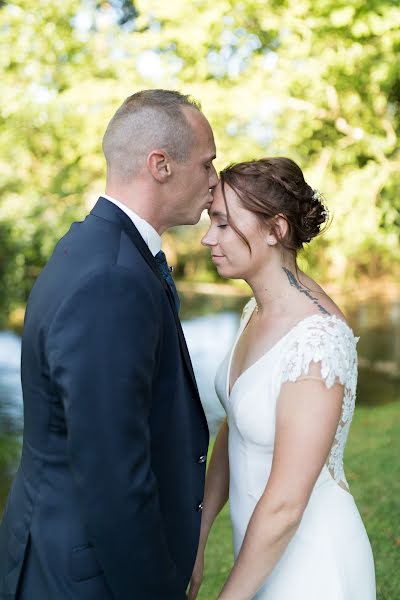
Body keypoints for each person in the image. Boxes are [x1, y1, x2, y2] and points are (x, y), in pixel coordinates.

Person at [0, 89, 218, 600]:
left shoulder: (96, 246)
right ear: (160, 165)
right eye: (208, 164)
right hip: (84, 575)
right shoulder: (112, 279)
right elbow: (113, 475)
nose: (215, 180)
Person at [189, 157, 376, 600]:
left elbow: (287, 506)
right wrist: (197, 537)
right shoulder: (256, 310)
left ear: (276, 230)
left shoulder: (317, 340)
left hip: (313, 569)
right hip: (261, 557)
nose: (206, 238)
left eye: (223, 224)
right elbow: (235, 425)